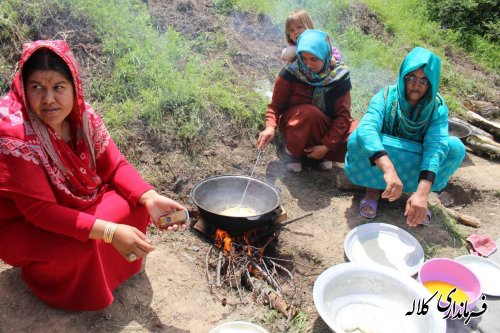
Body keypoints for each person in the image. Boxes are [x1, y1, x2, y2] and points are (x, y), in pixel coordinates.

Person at [0, 40, 188, 311]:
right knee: (83, 247)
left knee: (134, 203)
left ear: (74, 86)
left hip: (72, 203)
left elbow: (114, 164)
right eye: (37, 87)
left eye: (58, 87)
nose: (49, 99)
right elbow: (39, 212)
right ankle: (58, 284)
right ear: (23, 89)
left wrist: (150, 197)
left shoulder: (82, 117)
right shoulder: (13, 133)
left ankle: (111, 266)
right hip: (22, 224)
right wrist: (109, 231)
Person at [344, 47, 466, 227]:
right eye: (412, 77)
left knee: (455, 148)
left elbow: (435, 147)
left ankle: (417, 195)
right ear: (403, 76)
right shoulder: (385, 96)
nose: (417, 84)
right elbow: (367, 128)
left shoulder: (437, 108)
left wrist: (423, 193)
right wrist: (389, 169)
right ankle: (372, 191)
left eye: (424, 80)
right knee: (358, 138)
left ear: (432, 83)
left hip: (417, 160)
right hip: (386, 159)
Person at [257, 29, 358, 172]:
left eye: (314, 59)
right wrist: (270, 127)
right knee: (310, 114)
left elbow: (342, 116)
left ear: (326, 56)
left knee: (360, 135)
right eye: (303, 59)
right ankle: (294, 154)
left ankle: (320, 155)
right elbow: (275, 106)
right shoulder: (290, 73)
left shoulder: (339, 77)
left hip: (325, 126)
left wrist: (327, 146)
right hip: (297, 124)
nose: (308, 65)